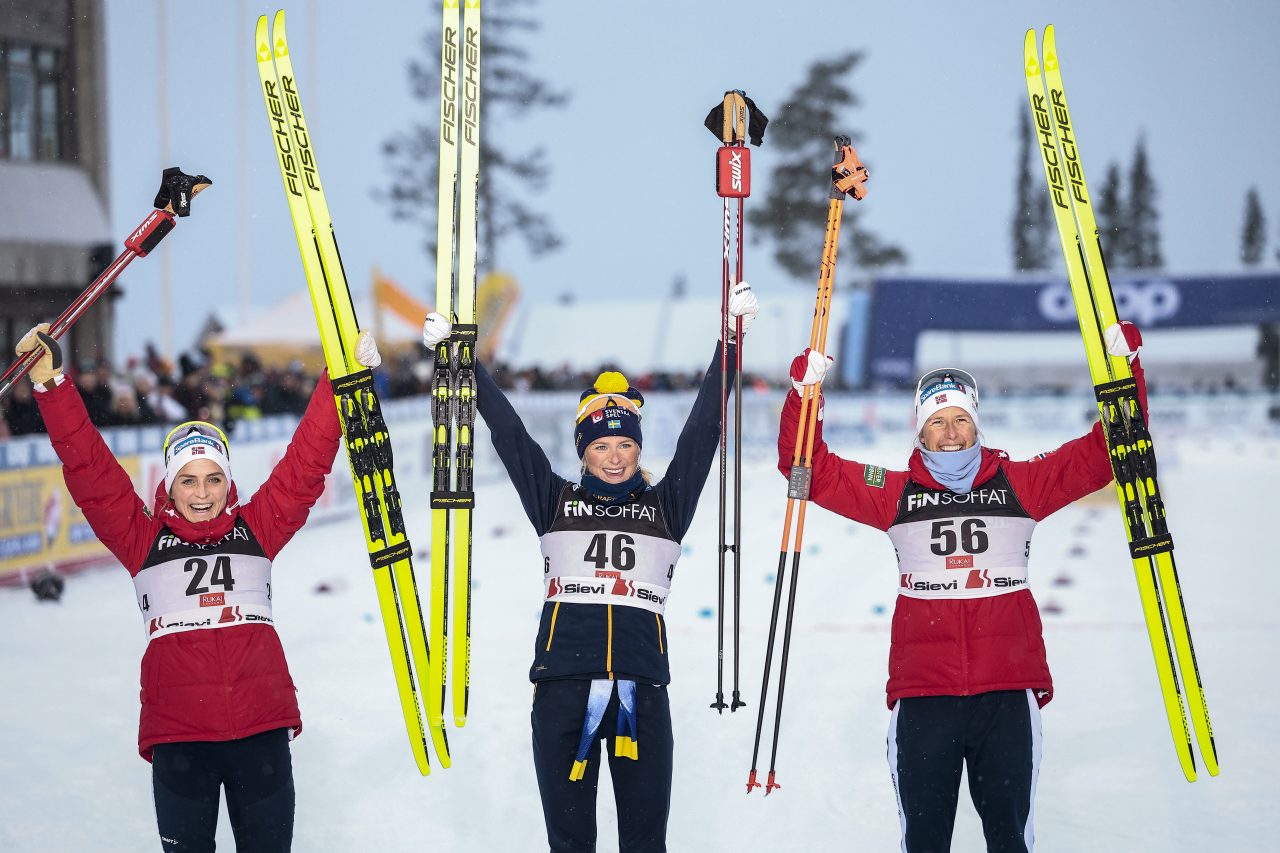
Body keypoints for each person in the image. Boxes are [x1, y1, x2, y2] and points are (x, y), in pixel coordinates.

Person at [780, 321, 1146, 853]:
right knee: (925, 842)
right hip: (925, 695)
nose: (949, 432)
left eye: (959, 420)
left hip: (1005, 691)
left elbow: (1107, 452)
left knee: (1009, 840)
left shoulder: (1021, 483)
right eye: (936, 422)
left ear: (976, 425)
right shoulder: (896, 494)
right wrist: (804, 398)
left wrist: (1124, 373)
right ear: (920, 431)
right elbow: (806, 471)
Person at [16, 322, 382, 853]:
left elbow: (306, 465)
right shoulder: (140, 539)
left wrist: (339, 380)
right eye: (188, 480)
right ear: (168, 485)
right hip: (180, 740)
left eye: (213, 478)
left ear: (228, 481)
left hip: (260, 732)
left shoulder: (258, 529)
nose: (202, 493)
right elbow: (89, 469)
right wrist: (52, 387)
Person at [424, 282, 758, 852]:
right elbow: (509, 434)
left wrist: (729, 343)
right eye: (600, 447)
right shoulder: (553, 501)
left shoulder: (665, 507)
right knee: (570, 841)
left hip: (641, 687)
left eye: (624, 446)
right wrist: (458, 361)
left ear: (636, 449)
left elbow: (703, 434)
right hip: (563, 688)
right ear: (583, 452)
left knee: (645, 841)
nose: (614, 456)